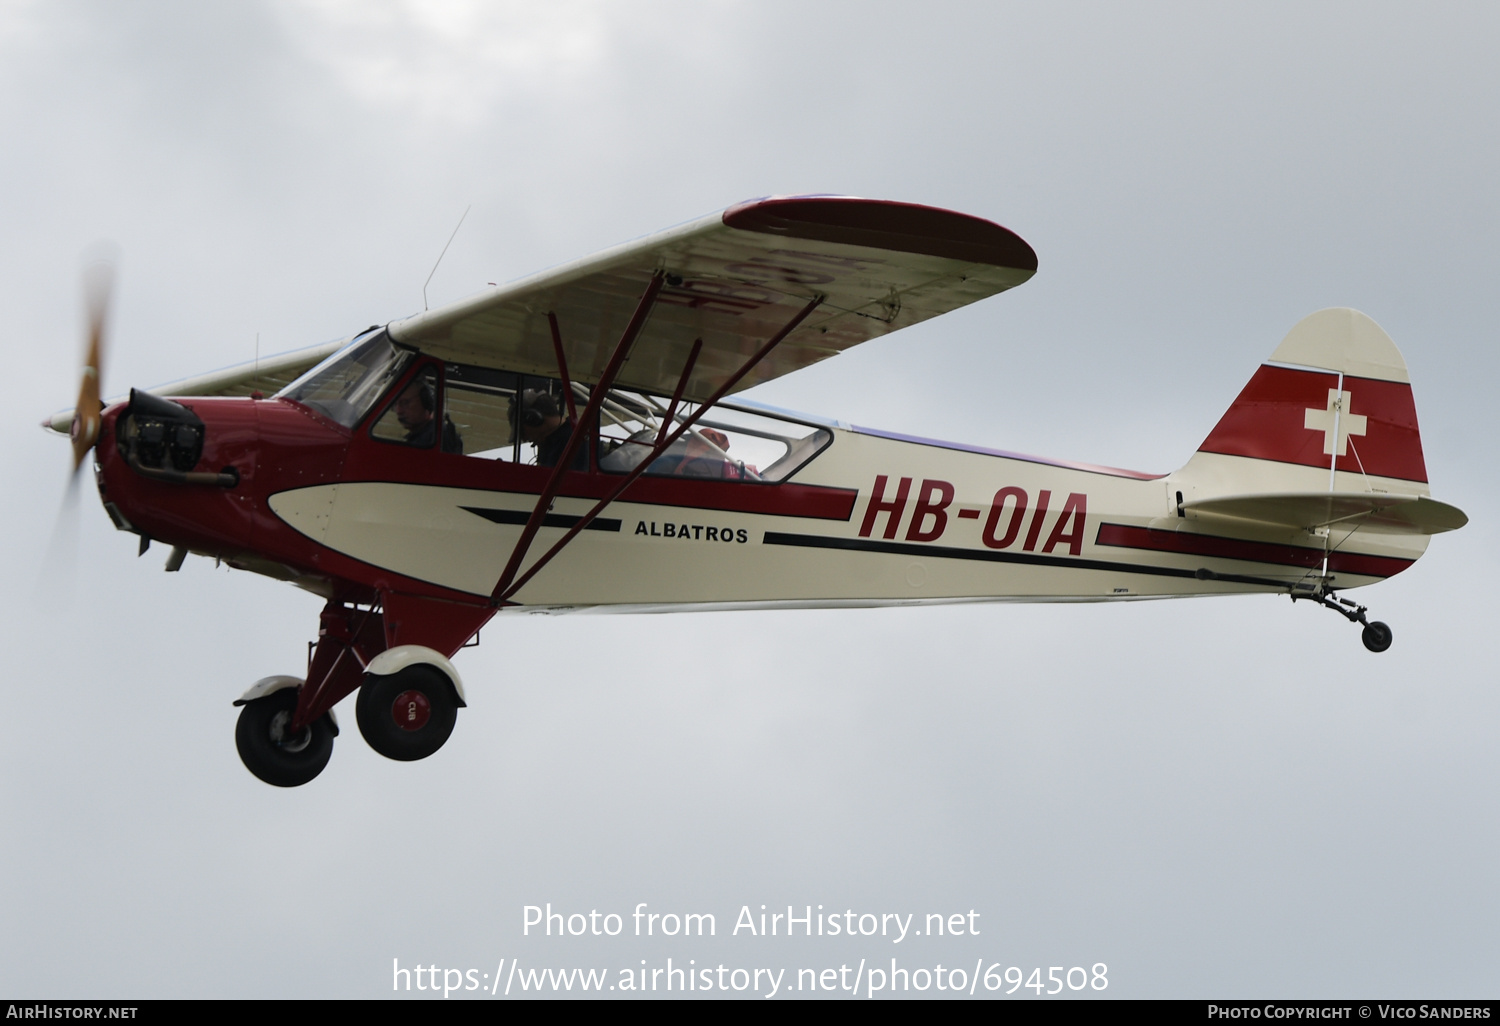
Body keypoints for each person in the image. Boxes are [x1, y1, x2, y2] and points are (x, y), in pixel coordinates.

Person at [513, 389, 586, 470]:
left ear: (534, 419)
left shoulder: (573, 445)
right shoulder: (552, 441)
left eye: (523, 431)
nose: (525, 438)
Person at [393, 377, 463, 453]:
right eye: (395, 404)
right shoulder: (427, 435)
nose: (398, 411)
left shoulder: (436, 440)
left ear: (426, 402)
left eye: (405, 403)